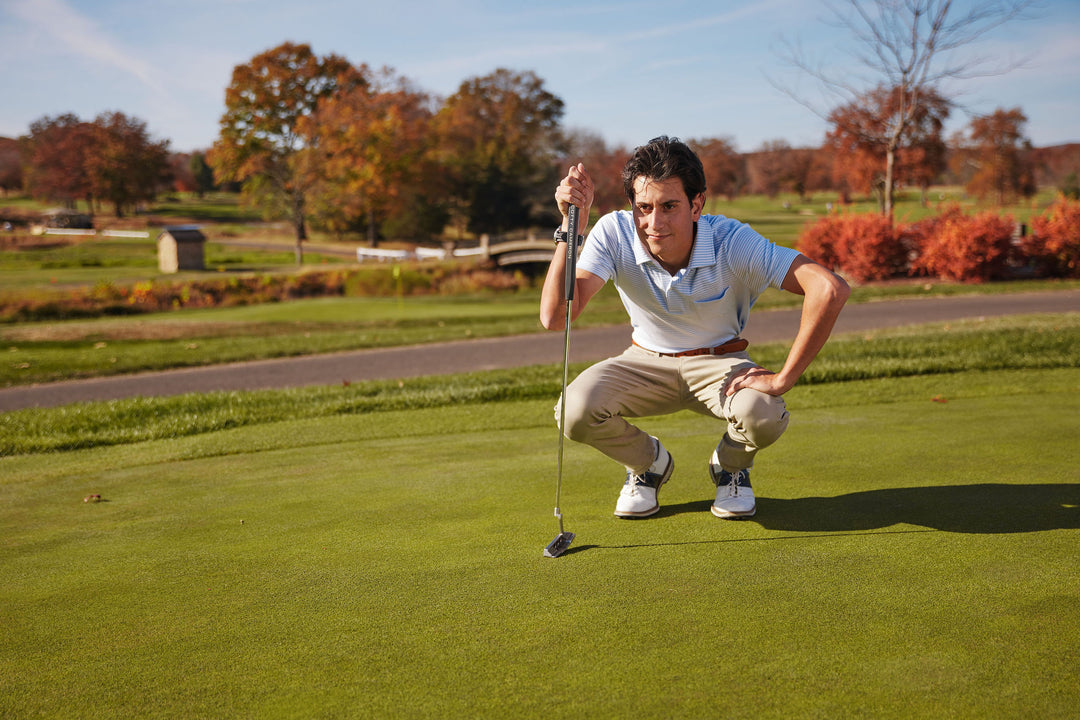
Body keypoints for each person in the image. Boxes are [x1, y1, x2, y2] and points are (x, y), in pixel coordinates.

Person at [540, 136, 850, 519]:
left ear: (697, 203)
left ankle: (731, 468)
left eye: (670, 206)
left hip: (722, 365)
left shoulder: (732, 240)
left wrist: (783, 378)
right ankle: (648, 465)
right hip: (644, 362)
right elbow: (555, 317)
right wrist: (570, 228)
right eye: (644, 208)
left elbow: (829, 288)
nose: (655, 223)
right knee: (573, 411)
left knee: (764, 413)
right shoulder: (614, 232)